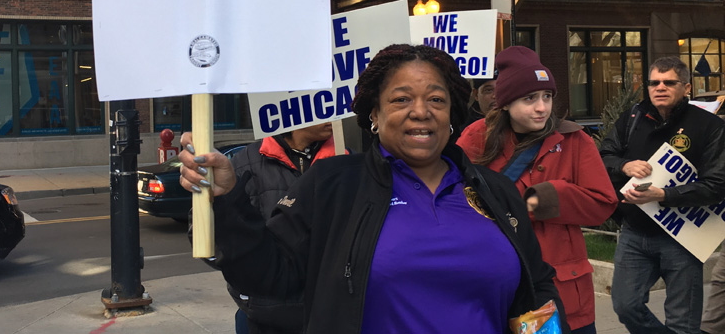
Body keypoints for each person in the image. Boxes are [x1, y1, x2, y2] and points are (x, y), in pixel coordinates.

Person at [178, 44, 563, 333]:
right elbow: (270, 276)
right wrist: (227, 199)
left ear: (452, 115)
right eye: (401, 99)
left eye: (436, 99)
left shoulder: (496, 191)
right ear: (374, 115)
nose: (420, 111)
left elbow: (537, 285)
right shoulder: (332, 185)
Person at [457, 46, 617, 334]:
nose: (542, 107)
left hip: (560, 290)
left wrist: (544, 199)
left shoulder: (574, 140)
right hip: (496, 282)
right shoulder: (476, 137)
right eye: (529, 98)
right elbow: (453, 199)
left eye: (547, 97)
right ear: (504, 103)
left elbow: (603, 202)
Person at [600, 56, 725, 334]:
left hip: (682, 237)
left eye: (669, 82)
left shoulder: (710, 127)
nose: (660, 88)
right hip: (635, 233)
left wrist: (664, 195)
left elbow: (716, 185)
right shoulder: (632, 118)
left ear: (687, 88)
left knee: (682, 323)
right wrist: (623, 165)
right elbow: (604, 155)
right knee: (625, 305)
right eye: (654, 82)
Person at [225, 122, 338, 334]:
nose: (331, 115)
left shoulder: (347, 158)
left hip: (328, 311)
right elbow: (221, 240)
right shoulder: (244, 163)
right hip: (262, 313)